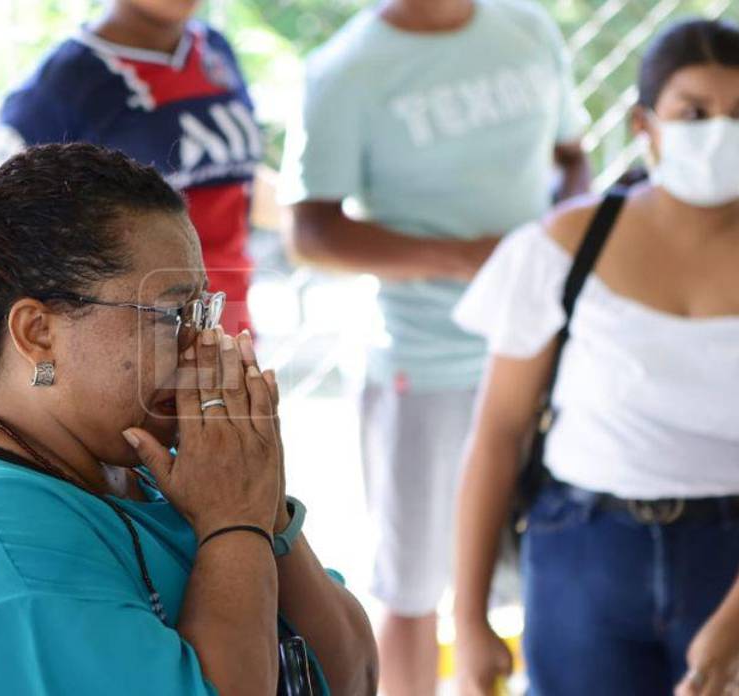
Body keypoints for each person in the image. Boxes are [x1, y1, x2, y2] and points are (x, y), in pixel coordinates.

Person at [0, 139, 377, 695]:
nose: (201, 344)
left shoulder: (150, 468)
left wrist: (261, 505)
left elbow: (353, 677)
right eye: (171, 314)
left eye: (203, 310)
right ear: (37, 333)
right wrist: (233, 523)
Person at [452, 19, 739, 696]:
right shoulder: (562, 245)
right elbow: (497, 437)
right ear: (644, 124)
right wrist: (470, 616)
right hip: (582, 551)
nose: (721, 130)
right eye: (694, 112)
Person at [277, 0, 591, 692]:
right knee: (413, 588)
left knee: (561, 564)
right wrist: (464, 259)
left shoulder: (529, 28)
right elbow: (310, 233)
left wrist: (561, 239)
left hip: (547, 346)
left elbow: (573, 158)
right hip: (424, 360)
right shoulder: (347, 69)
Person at [0, 0, 263, 334]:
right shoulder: (57, 90)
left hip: (229, 326)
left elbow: (233, 186)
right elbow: (12, 246)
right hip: (137, 351)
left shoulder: (215, 50)